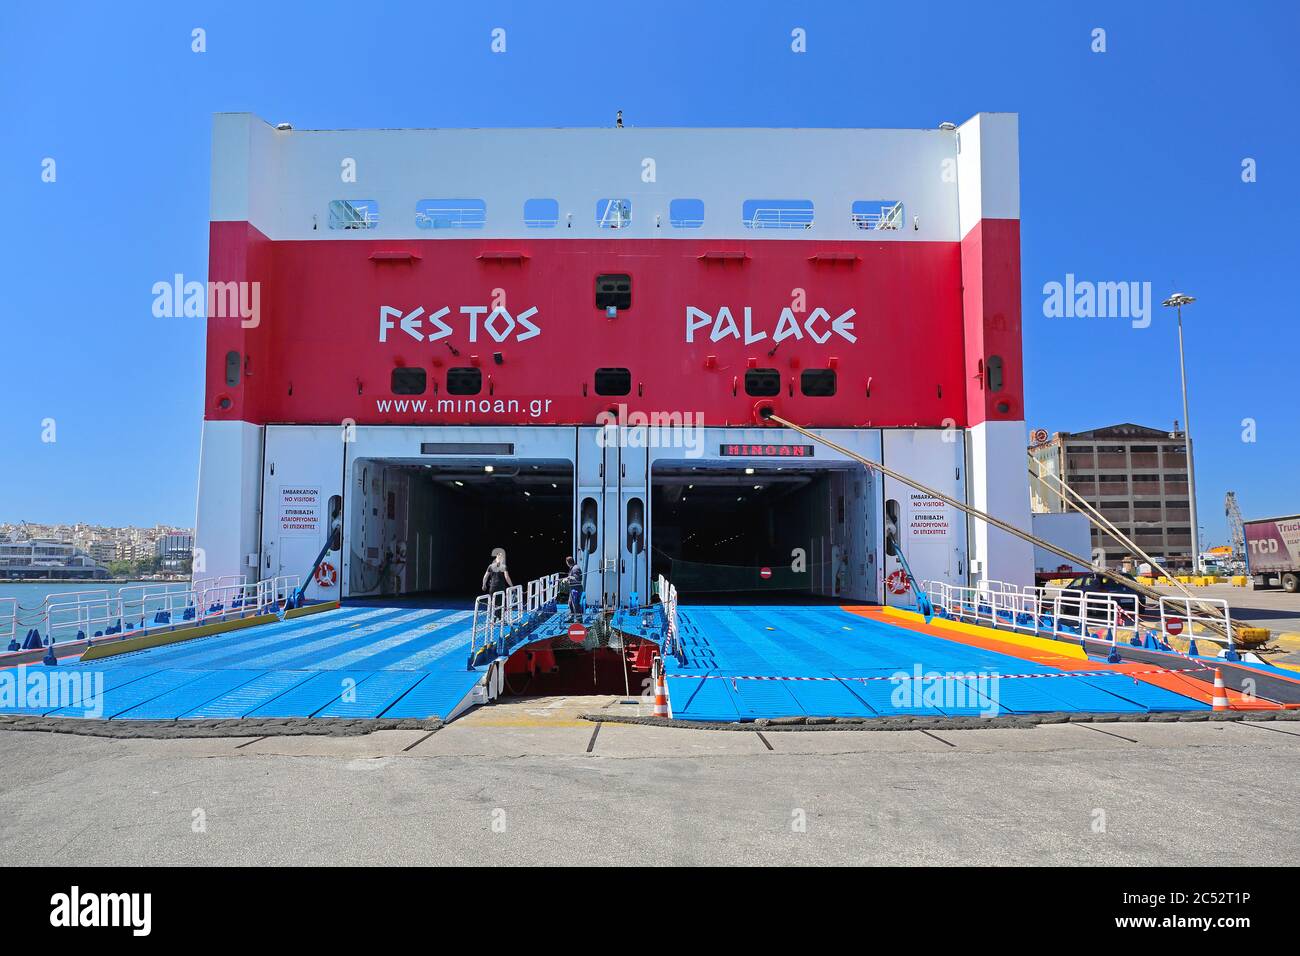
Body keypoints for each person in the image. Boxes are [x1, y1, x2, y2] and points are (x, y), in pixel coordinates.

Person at [564, 554, 584, 620]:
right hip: (572, 588)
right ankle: (571, 617)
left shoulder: (575, 568)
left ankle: (579, 619)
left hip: (576, 588)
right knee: (570, 603)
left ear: (568, 562)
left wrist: (570, 577)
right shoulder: (573, 568)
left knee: (576, 604)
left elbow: (578, 579)